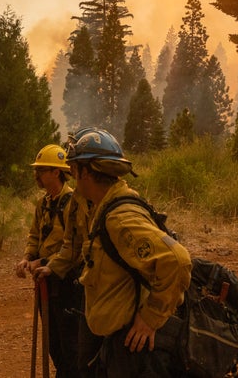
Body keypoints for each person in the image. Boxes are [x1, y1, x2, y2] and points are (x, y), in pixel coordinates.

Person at [66, 128, 191, 377]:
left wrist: (151, 317)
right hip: (117, 343)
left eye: (75, 169)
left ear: (87, 172)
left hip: (133, 349)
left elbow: (177, 260)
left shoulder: (120, 218)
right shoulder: (104, 207)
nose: (72, 176)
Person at [14, 143, 84, 378]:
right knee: (53, 343)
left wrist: (43, 262)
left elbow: (73, 247)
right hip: (46, 282)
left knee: (71, 344)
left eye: (42, 170)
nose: (38, 175)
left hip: (68, 284)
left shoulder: (74, 203)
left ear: (57, 172)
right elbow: (35, 236)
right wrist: (27, 259)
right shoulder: (43, 203)